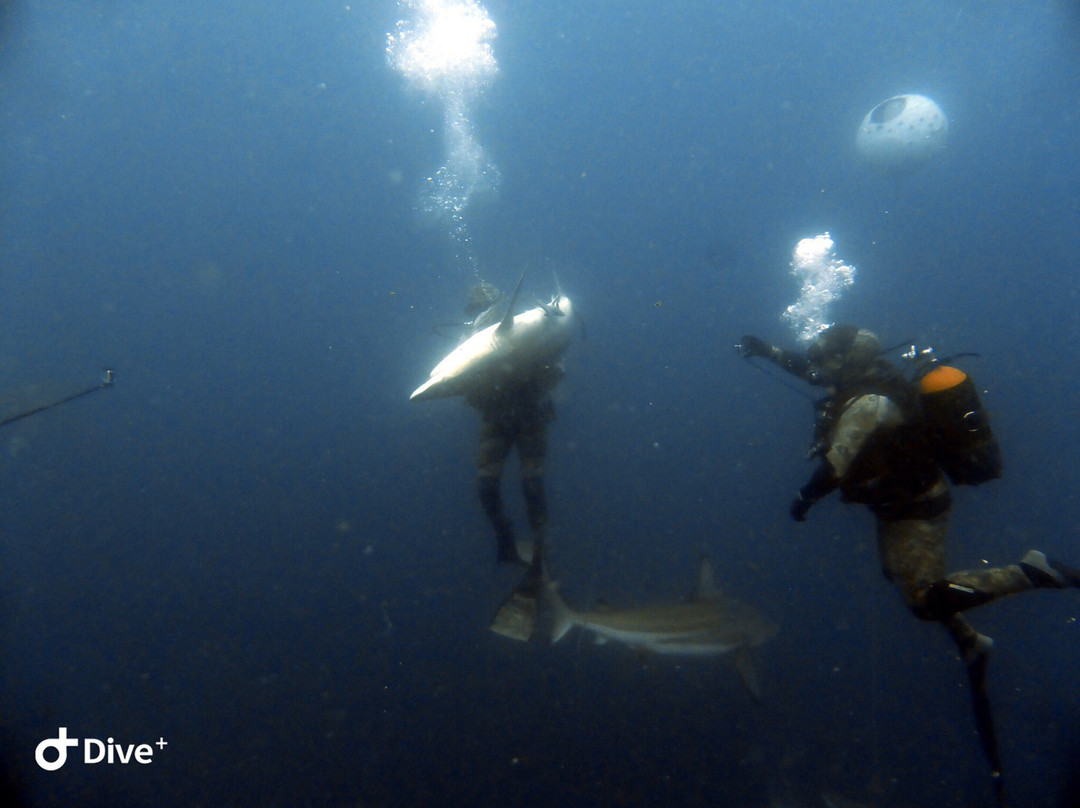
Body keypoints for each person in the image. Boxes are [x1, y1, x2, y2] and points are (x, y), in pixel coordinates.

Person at [737, 323, 1080, 807]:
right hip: (895, 508)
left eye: (826, 359)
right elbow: (809, 371)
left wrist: (802, 499)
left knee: (924, 600)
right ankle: (969, 639)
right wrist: (767, 350)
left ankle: (1031, 572)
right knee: (900, 578)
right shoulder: (855, 379)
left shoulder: (867, 402)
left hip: (918, 510)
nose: (818, 368)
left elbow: (835, 466)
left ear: (846, 360)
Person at [461, 281, 567, 640]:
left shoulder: (525, 329)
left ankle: (538, 558)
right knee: (485, 485)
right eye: (475, 311)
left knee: (532, 484)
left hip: (530, 415)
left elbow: (555, 368)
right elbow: (466, 389)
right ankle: (507, 540)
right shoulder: (469, 343)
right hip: (496, 419)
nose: (479, 315)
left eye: (483, 309)